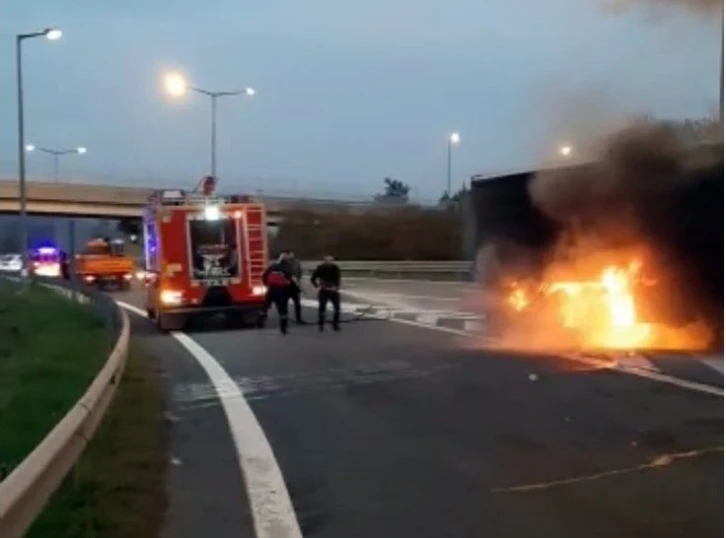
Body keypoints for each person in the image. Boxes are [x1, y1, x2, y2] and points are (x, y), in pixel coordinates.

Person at [261, 253, 293, 334]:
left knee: (265, 307)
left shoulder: (273, 266)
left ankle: (259, 322)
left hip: (271, 289)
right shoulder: (287, 268)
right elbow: (289, 281)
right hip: (282, 291)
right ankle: (283, 329)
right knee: (283, 310)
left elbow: (264, 275)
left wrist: (266, 284)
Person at [310, 255, 342, 332]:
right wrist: (317, 286)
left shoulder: (335, 268)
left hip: (333, 290)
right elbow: (312, 278)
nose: (330, 262)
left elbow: (338, 279)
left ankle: (335, 324)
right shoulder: (320, 268)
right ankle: (321, 325)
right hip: (323, 290)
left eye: (331, 260)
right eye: (328, 260)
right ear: (324, 261)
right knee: (322, 308)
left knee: (337, 308)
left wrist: (336, 287)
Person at [285, 250, 305, 324]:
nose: (291, 256)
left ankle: (299, 319)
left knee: (297, 303)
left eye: (292, 254)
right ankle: (285, 319)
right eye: (290, 254)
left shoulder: (297, 262)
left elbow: (300, 271)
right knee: (284, 303)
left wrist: (299, 281)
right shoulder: (284, 263)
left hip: (295, 286)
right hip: (286, 286)